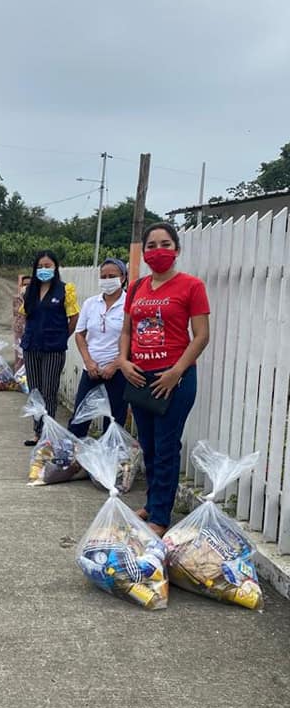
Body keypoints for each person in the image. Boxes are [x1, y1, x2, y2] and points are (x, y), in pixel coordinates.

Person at [118, 222, 210, 537]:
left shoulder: (191, 286)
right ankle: (152, 503)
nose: (158, 251)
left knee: (166, 446)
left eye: (165, 244)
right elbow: (127, 331)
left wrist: (176, 371)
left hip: (174, 379)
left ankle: (159, 516)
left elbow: (201, 336)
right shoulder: (136, 288)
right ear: (144, 252)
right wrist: (123, 361)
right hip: (139, 377)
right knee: (148, 445)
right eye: (152, 245)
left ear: (177, 250)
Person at [20, 251, 80, 445]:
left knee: (49, 391)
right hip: (31, 347)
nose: (43, 270)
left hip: (53, 349)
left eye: (47, 266)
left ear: (55, 268)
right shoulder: (30, 291)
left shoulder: (65, 290)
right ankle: (37, 432)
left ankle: (49, 433)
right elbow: (25, 316)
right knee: (35, 391)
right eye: (40, 266)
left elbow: (74, 318)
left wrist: (61, 337)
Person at [69, 258, 129, 437]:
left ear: (123, 277)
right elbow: (80, 334)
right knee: (80, 418)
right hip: (91, 370)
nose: (107, 280)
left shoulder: (129, 304)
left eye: (112, 276)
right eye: (103, 276)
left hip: (118, 372)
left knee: (114, 422)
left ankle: (108, 454)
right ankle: (75, 451)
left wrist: (115, 365)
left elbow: (132, 339)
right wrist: (88, 361)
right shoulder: (91, 303)